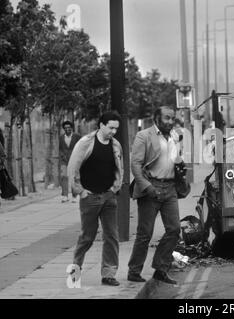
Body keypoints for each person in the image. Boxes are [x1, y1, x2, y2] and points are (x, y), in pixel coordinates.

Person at [127, 106, 182, 285]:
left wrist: (181, 167)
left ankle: (161, 268)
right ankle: (134, 271)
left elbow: (174, 159)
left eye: (172, 118)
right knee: (145, 234)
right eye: (167, 118)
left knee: (174, 230)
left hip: (170, 188)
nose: (170, 121)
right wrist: (147, 187)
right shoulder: (144, 136)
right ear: (156, 118)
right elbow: (135, 164)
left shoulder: (174, 135)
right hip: (151, 187)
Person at [67, 111, 123, 286]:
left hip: (108, 196)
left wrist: (115, 187)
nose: (113, 132)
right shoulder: (85, 143)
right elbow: (73, 167)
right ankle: (74, 274)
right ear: (101, 125)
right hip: (89, 197)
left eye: (116, 129)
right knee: (87, 238)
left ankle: (109, 274)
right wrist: (80, 191)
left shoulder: (115, 145)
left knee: (112, 236)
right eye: (111, 127)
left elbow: (119, 167)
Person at [59, 121, 81, 203]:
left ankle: (74, 196)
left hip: (74, 160)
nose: (67, 129)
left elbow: (81, 147)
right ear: (64, 129)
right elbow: (60, 149)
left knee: (74, 177)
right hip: (64, 160)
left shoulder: (77, 136)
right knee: (64, 176)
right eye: (65, 128)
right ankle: (65, 196)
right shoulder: (61, 137)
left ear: (72, 128)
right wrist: (62, 156)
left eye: (69, 127)